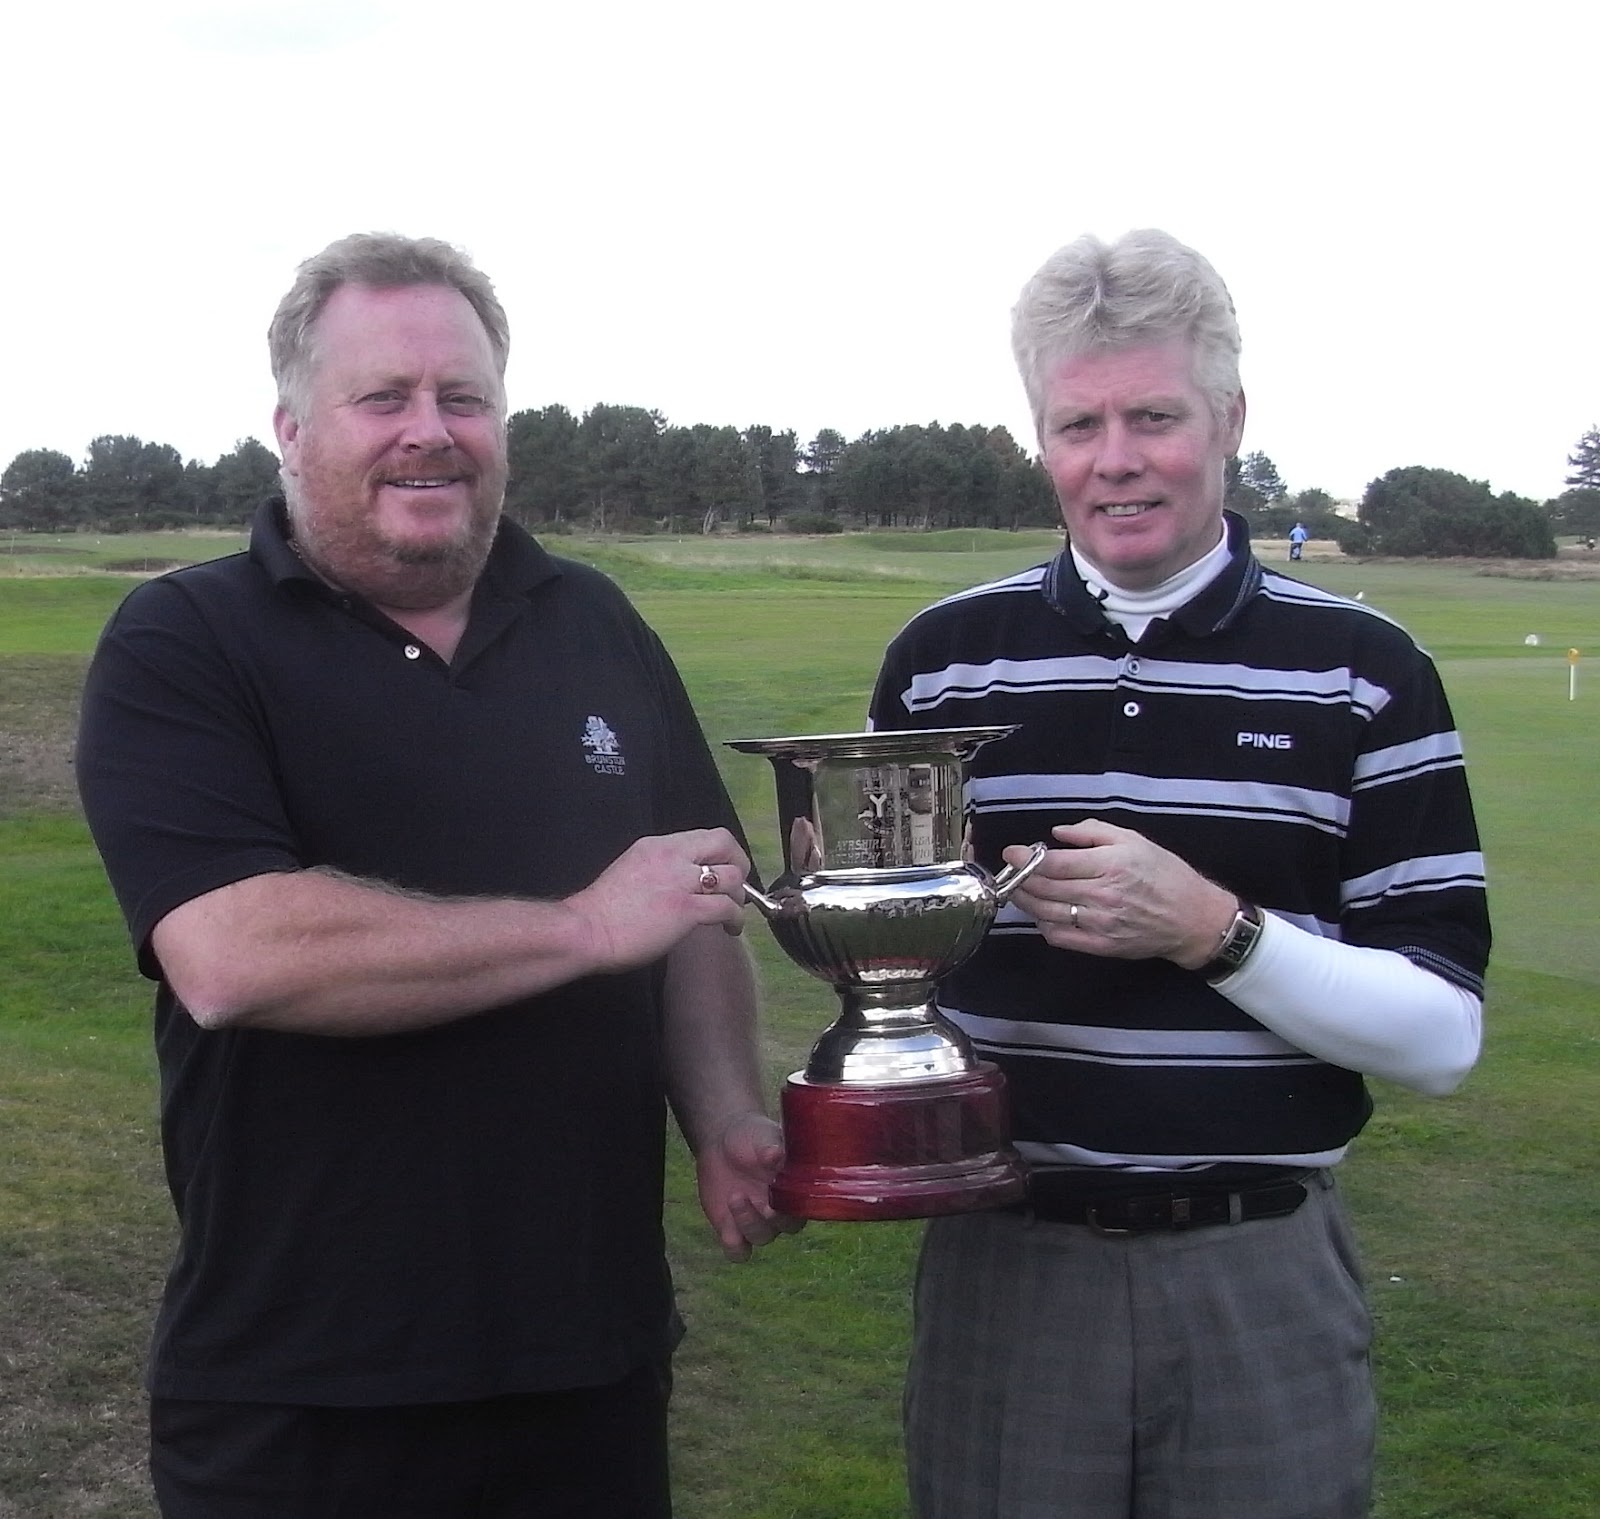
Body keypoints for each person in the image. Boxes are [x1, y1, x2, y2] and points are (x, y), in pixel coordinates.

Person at [76, 232, 797, 1519]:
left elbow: (695, 906)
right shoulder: (186, 639)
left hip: (588, 1363)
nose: (431, 431)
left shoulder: (594, 623)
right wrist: (581, 924)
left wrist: (728, 1118)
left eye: (463, 398)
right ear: (292, 426)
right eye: (384, 399)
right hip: (304, 1389)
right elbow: (232, 956)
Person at [868, 229, 1489, 1519]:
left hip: (1256, 1271)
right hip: (1005, 1267)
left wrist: (1215, 928)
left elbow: (1439, 1038)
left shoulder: (1364, 668)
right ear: (1037, 433)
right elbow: (890, 969)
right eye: (1076, 422)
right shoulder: (944, 665)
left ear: (1229, 418)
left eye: (1152, 416)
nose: (1114, 460)